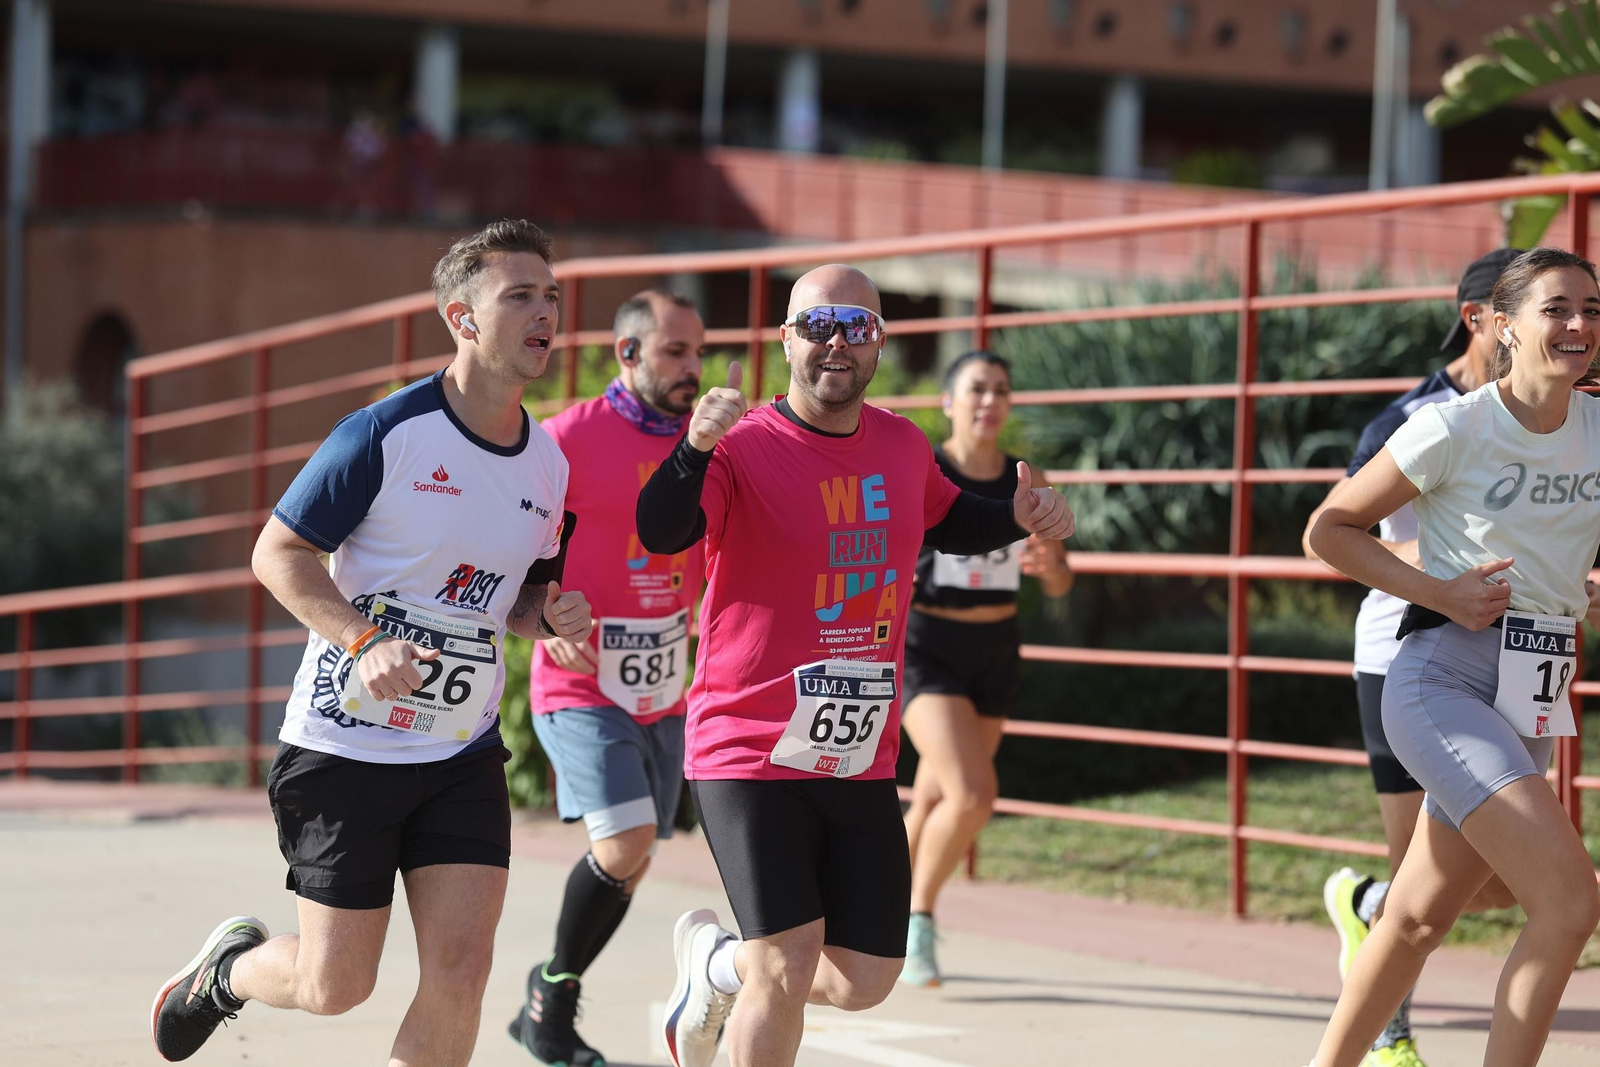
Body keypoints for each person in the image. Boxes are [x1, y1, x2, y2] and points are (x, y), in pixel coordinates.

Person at [149, 220, 594, 1066]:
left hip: (459, 751)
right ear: (462, 318)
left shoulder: (547, 463)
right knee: (335, 984)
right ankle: (230, 970)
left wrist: (551, 618)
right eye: (521, 297)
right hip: (345, 746)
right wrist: (360, 638)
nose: (546, 314)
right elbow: (276, 552)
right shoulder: (384, 433)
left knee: (462, 969)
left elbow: (517, 600)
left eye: (552, 297)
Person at [636, 264, 1076, 1067]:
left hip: (856, 752)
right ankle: (739, 971)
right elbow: (661, 529)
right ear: (786, 340)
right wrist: (696, 444)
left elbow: (954, 519)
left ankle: (711, 966)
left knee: (866, 976)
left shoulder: (904, 445)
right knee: (785, 961)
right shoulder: (740, 447)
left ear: (879, 341)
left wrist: (1023, 514)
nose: (837, 341)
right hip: (747, 747)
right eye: (818, 325)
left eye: (858, 326)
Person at [1306, 246, 1600, 1067]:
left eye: (1593, 309)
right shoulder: (1452, 424)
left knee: (1415, 918)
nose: (1580, 325)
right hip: (1444, 678)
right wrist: (1439, 592)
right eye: (1557, 308)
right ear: (1501, 325)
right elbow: (1328, 529)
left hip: (1534, 688)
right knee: (1571, 901)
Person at [507, 290, 707, 1066]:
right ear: (627, 355)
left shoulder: (707, 442)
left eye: (697, 352)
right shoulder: (564, 441)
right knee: (623, 842)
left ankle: (548, 991)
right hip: (580, 678)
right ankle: (552, 1007)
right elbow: (508, 545)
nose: (690, 368)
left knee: (634, 854)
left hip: (665, 681)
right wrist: (537, 614)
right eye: (673, 352)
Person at [898, 349, 1073, 988]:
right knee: (973, 795)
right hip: (926, 646)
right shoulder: (923, 467)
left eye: (1001, 390)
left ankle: (873, 903)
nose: (989, 401)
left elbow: (1057, 582)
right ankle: (917, 920)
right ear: (948, 401)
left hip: (996, 649)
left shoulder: (1025, 477)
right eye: (976, 389)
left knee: (938, 796)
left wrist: (1051, 568)